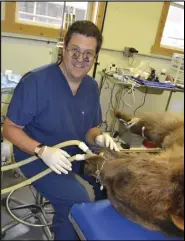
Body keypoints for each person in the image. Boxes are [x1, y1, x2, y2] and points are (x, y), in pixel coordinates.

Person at [3, 20, 119, 240]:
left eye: (88, 54)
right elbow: (10, 129)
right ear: (63, 49)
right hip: (34, 157)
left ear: (95, 58)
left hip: (73, 156)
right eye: (75, 51)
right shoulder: (36, 82)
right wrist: (42, 151)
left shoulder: (91, 87)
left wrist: (100, 138)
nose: (80, 59)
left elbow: (89, 129)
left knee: (110, 186)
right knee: (78, 197)